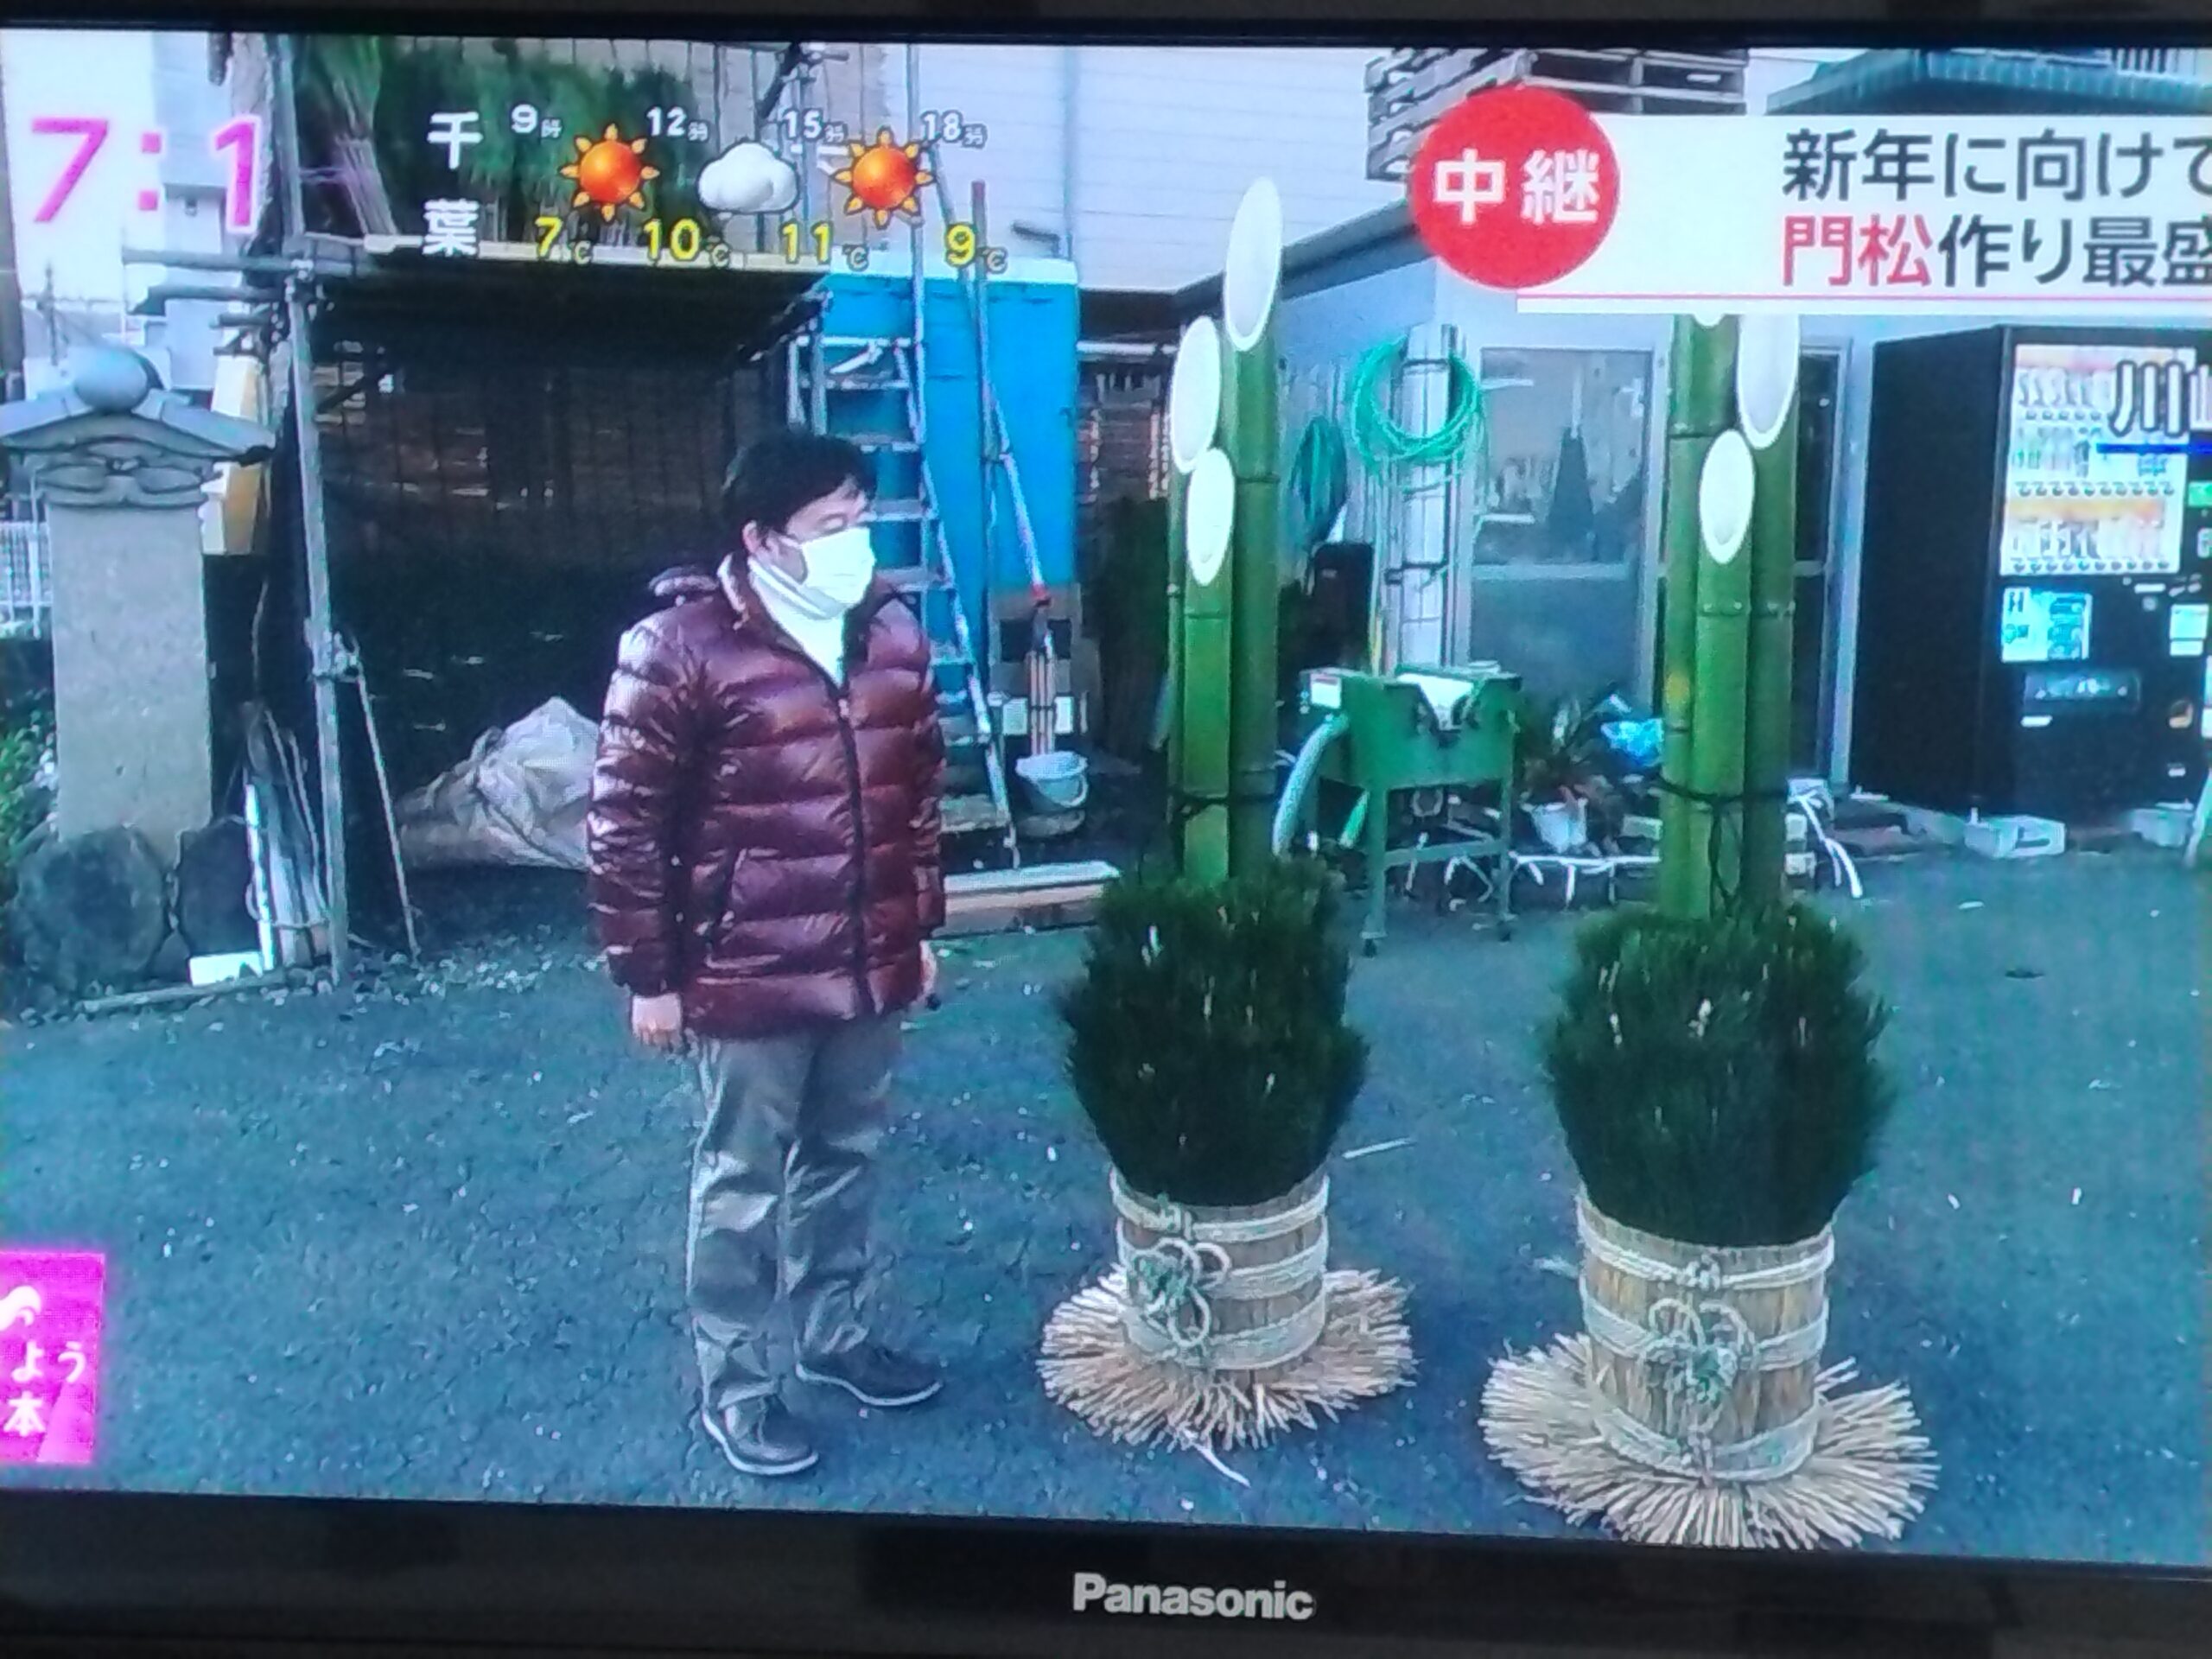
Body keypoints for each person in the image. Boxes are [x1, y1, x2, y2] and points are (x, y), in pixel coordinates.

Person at [586, 429, 947, 1478]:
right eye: (830, 523)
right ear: (762, 538)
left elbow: (919, 799)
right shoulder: (681, 647)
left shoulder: (890, 634)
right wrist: (649, 977)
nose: (853, 539)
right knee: (742, 1183)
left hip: (868, 959)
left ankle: (836, 1339)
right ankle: (738, 1388)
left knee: (848, 1157)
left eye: (859, 518)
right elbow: (623, 826)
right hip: (743, 969)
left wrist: (918, 930)